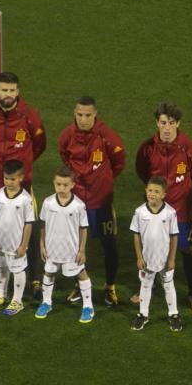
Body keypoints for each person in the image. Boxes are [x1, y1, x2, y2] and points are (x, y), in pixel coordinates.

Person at [0, 71, 46, 295]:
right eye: (4, 90)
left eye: (12, 90)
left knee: (29, 227)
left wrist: (20, 168)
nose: (8, 94)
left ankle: (35, 278)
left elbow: (39, 144)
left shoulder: (30, 116)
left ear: (18, 91)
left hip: (21, 185)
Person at [134, 102, 192, 311]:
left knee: (187, 249)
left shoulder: (189, 148)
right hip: (154, 212)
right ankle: (147, 288)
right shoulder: (147, 148)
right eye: (163, 123)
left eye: (171, 123)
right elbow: (142, 172)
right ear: (157, 123)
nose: (166, 128)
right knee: (149, 249)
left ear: (178, 123)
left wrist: (180, 193)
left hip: (181, 213)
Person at [58, 96, 125, 305]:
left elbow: (118, 162)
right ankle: (79, 283)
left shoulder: (107, 136)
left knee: (109, 244)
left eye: (88, 115)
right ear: (74, 113)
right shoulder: (67, 135)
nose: (83, 119)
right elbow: (65, 157)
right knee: (75, 244)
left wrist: (102, 180)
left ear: (95, 114)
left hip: (101, 201)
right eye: (79, 115)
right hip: (76, 201)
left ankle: (110, 287)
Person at [36, 166, 94, 322]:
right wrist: (42, 244)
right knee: (48, 273)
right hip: (52, 248)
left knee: (81, 273)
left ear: (73, 185)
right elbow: (42, 225)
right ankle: (46, 302)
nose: (61, 188)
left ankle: (88, 306)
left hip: (71, 250)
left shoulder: (78, 206)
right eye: (58, 184)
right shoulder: (48, 203)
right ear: (54, 183)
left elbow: (83, 229)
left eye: (65, 185)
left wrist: (82, 250)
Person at [129, 176, 183, 332]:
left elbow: (174, 236)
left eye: (156, 191)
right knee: (145, 285)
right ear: (146, 191)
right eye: (150, 190)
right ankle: (143, 314)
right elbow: (136, 235)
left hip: (165, 259)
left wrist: (172, 258)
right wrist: (139, 257)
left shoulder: (170, 213)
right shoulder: (139, 212)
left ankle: (173, 314)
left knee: (168, 285)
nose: (152, 194)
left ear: (163, 194)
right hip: (147, 258)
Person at [0, 160, 35, 317]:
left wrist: (23, 245)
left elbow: (28, 224)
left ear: (21, 178)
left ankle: (17, 301)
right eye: (6, 178)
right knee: (1, 268)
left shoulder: (26, 199)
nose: (9, 182)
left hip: (16, 245)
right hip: (0, 243)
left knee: (17, 270)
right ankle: (2, 294)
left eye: (12, 179)